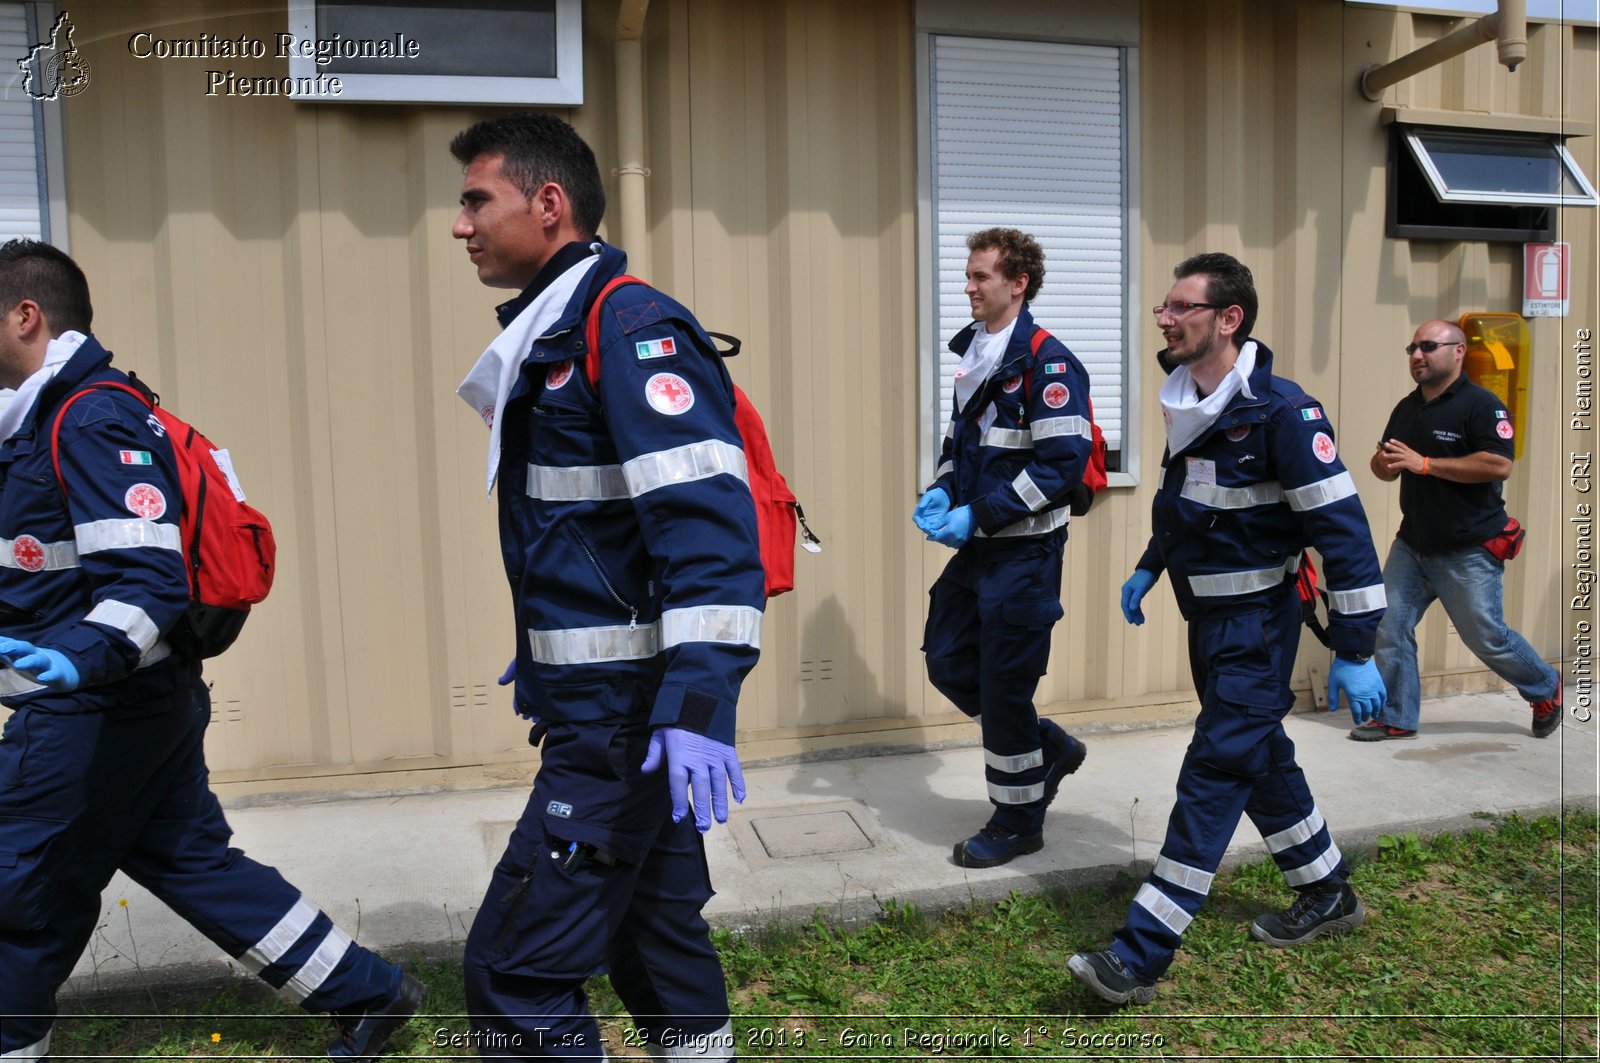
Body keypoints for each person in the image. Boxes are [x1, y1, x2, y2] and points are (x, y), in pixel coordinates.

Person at [0, 239, 422, 1060]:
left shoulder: (88, 418)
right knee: (194, 863)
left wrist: (79, 661)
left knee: (17, 897)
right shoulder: (50, 418)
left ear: (26, 316)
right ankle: (369, 991)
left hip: (92, 714)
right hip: (137, 704)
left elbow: (148, 578)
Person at [449, 113, 764, 1057]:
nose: (460, 225)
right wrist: (551, 629)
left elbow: (709, 533)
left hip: (624, 722)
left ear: (549, 205)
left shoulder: (623, 326)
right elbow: (599, 529)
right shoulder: (564, 330)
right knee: (655, 935)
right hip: (608, 702)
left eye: (476, 200)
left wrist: (697, 702)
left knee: (513, 974)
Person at [1068, 252, 1388, 1005]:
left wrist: (1356, 646)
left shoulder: (1281, 412)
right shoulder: (1191, 399)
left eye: (1181, 306)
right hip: (1209, 623)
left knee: (1215, 769)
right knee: (1259, 757)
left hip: (1257, 627)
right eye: (1165, 307)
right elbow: (1188, 502)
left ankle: (1139, 954)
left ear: (1228, 318)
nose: (1164, 317)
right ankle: (1329, 891)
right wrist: (1152, 562)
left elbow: (1343, 530)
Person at [915, 227, 1092, 869]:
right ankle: (1046, 749)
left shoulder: (1050, 363)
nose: (969, 286)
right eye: (968, 275)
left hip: (1024, 556)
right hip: (982, 549)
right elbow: (962, 443)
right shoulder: (979, 352)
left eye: (981, 276)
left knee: (1004, 685)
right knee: (947, 659)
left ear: (1018, 283)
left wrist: (977, 515)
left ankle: (1018, 819)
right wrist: (940, 488)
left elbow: (1060, 467)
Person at [1359, 319, 1561, 741]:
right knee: (1388, 625)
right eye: (1412, 348)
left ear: (1458, 351)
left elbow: (1498, 464)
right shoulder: (1407, 408)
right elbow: (1386, 470)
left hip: (1468, 548)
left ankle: (1545, 687)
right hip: (1413, 544)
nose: (1417, 355)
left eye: (1428, 346)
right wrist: (1383, 464)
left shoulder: (1482, 406)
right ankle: (1397, 716)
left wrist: (1426, 464)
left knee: (1487, 638)